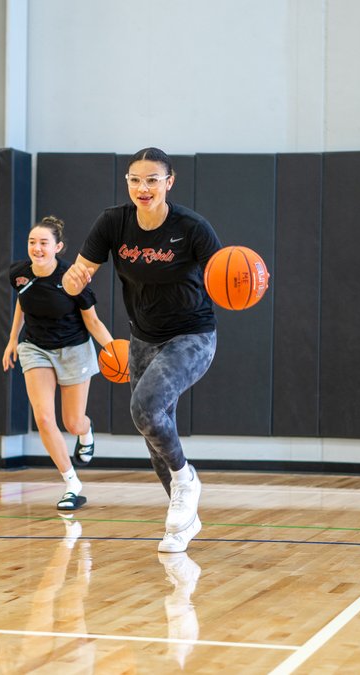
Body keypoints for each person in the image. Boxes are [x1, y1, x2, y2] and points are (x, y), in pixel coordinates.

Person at [62, 147, 222, 554]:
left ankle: (185, 479)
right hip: (142, 338)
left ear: (170, 182)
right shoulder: (113, 222)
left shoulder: (192, 228)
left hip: (192, 336)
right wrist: (73, 281)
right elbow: (77, 277)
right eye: (135, 179)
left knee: (145, 409)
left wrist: (247, 280)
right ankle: (182, 522)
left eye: (153, 179)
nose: (143, 187)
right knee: (153, 430)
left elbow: (224, 275)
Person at [3, 216, 115, 511]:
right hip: (35, 348)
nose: (36, 248)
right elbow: (22, 301)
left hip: (74, 349)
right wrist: (13, 338)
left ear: (58, 247)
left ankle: (86, 432)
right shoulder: (18, 273)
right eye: (32, 242)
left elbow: (93, 321)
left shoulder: (74, 279)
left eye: (43, 243)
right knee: (42, 418)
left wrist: (114, 350)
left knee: (72, 422)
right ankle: (72, 484)